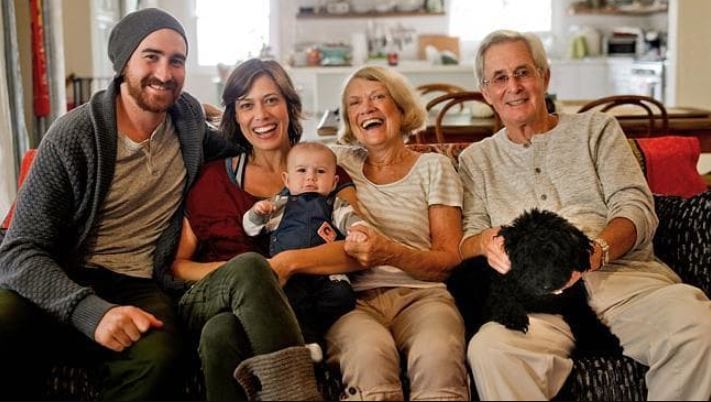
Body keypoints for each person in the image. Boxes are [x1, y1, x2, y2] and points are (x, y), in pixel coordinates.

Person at [458, 29, 711, 401]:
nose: (513, 86)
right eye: (499, 77)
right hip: (538, 302)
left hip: (626, 282)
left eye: (523, 72)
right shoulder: (475, 160)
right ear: (485, 92)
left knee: (698, 327)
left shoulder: (597, 130)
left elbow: (636, 206)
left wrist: (599, 251)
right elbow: (466, 240)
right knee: (491, 350)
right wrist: (485, 243)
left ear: (545, 77)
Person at [0, 8, 236, 400]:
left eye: (176, 60)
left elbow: (241, 150)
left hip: (140, 282)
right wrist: (91, 313)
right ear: (124, 62)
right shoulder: (74, 136)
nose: (165, 72)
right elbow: (20, 251)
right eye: (151, 56)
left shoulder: (188, 119)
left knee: (160, 357)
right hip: (63, 272)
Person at [171, 58, 360, 401]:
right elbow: (179, 265)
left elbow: (359, 250)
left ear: (290, 105)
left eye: (271, 100)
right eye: (247, 105)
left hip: (290, 309)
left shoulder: (320, 169)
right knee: (248, 266)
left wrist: (286, 264)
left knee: (219, 335)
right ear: (236, 116)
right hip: (206, 296)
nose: (261, 115)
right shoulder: (213, 178)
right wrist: (245, 277)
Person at [290, 65, 470, 400]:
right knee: (369, 354)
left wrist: (390, 252)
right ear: (348, 119)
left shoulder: (434, 167)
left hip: (422, 295)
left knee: (438, 353)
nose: (366, 108)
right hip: (352, 300)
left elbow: (449, 260)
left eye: (378, 97)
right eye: (354, 103)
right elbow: (284, 158)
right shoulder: (336, 163)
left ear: (401, 108)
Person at [243, 141, 363, 352]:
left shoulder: (334, 205)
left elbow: (350, 219)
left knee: (342, 296)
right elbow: (251, 228)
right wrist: (256, 213)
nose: (310, 177)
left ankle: (321, 330)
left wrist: (360, 230)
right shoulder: (279, 205)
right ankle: (309, 342)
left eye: (320, 171)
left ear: (334, 182)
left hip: (327, 272)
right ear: (287, 180)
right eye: (301, 171)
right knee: (290, 300)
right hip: (291, 275)